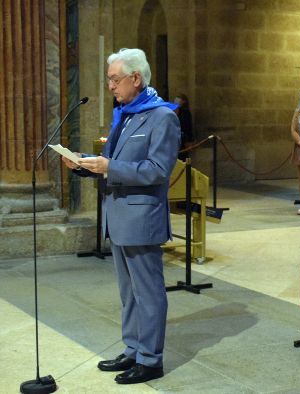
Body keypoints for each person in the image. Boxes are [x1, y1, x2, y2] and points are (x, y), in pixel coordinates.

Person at [62, 48, 180, 385]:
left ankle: (151, 359)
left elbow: (158, 170)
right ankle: (133, 348)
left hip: (141, 219)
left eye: (115, 80)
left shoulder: (163, 117)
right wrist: (85, 164)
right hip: (119, 216)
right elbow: (113, 162)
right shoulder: (125, 114)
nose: (111, 86)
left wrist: (109, 166)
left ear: (136, 78)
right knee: (128, 292)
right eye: (109, 80)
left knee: (148, 292)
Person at [174, 93, 194, 161]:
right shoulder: (178, 112)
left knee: (183, 159)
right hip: (177, 139)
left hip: (183, 139)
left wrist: (189, 140)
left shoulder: (186, 113)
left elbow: (187, 127)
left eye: (178, 100)